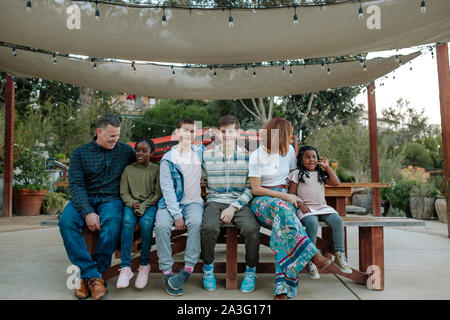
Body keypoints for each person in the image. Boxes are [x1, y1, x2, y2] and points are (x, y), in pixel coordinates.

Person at [248, 117, 335, 300]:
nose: (291, 139)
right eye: (289, 134)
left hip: (286, 201)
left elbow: (294, 179)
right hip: (263, 201)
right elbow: (256, 189)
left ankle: (282, 290)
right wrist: (285, 196)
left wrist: (298, 200)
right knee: (283, 212)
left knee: (285, 231)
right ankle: (311, 253)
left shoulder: (288, 151)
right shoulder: (257, 155)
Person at [58, 114, 136, 300]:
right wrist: (88, 213)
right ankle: (93, 275)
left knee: (112, 224)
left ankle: (91, 276)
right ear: (99, 132)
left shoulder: (125, 151)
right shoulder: (79, 153)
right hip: (84, 199)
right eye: (111, 136)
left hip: (111, 200)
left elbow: (140, 170)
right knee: (66, 223)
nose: (115, 140)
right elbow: (76, 185)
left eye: (117, 135)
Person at [201, 115, 260, 293]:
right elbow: (198, 178)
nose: (227, 135)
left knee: (252, 229)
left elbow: (250, 189)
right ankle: (208, 268)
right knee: (209, 227)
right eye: (223, 132)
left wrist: (233, 207)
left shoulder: (248, 157)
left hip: (239, 202)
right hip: (214, 201)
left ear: (238, 133)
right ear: (218, 133)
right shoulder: (207, 155)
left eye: (231, 131)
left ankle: (250, 271)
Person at [154, 118, 205, 296]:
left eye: (192, 131)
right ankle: (167, 272)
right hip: (171, 203)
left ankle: (188, 269)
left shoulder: (200, 152)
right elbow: (167, 190)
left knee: (197, 223)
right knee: (160, 226)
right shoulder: (168, 159)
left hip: (193, 202)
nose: (189, 135)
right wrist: (176, 215)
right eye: (185, 130)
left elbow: (222, 156)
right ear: (177, 133)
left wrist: (243, 150)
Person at [288, 145, 351, 279]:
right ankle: (311, 258)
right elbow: (291, 193)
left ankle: (339, 254)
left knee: (338, 221)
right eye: (307, 157)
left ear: (318, 159)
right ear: (301, 159)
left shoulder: (321, 173)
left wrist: (326, 166)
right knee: (312, 223)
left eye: (314, 157)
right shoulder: (296, 173)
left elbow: (336, 182)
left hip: (322, 207)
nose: (311, 160)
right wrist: (300, 204)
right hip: (306, 208)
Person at [116, 139, 162, 289]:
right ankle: (125, 267)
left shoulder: (156, 169)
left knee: (146, 224)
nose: (140, 153)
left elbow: (157, 193)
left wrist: (144, 206)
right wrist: (131, 202)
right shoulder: (128, 169)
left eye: (144, 151)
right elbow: (123, 191)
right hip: (132, 204)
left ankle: (144, 265)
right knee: (127, 222)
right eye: (138, 150)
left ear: (151, 153)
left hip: (149, 204)